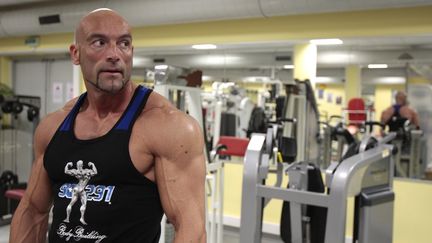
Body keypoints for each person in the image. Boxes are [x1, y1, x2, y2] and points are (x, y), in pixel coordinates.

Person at [10, 8, 206, 243]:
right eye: (99, 42)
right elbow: (33, 210)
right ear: (76, 53)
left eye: (123, 43)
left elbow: (191, 230)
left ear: (131, 51)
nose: (114, 54)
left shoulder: (168, 126)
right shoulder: (53, 126)